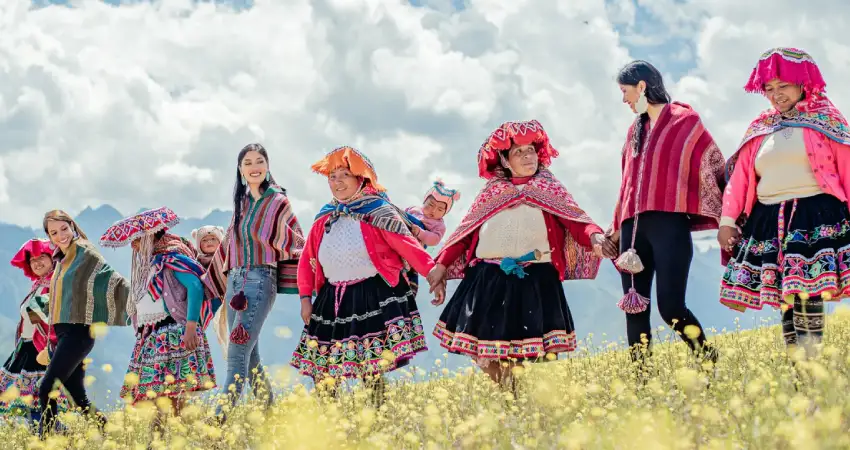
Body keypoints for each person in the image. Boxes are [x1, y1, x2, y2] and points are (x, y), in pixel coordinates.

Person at [426, 120, 606, 390]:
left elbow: (577, 221)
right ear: (505, 160)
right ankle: (513, 394)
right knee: (486, 349)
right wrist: (441, 265)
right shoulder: (492, 192)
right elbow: (465, 234)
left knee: (521, 350)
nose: (527, 156)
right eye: (519, 152)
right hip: (487, 278)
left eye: (531, 150)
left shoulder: (550, 189)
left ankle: (516, 399)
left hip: (534, 277)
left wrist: (595, 236)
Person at [719, 48, 850, 358]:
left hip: (814, 215)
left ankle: (810, 364)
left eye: (783, 86)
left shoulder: (826, 120)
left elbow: (847, 168)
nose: (775, 95)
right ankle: (800, 371)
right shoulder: (761, 127)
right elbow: (739, 180)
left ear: (803, 83)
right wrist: (727, 221)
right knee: (787, 300)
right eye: (769, 88)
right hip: (768, 219)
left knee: (808, 293)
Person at [291, 146, 443, 398]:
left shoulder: (378, 211)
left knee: (371, 366)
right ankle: (327, 422)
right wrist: (305, 298)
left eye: (344, 175)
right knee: (323, 369)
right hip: (330, 298)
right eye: (332, 176)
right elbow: (307, 261)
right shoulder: (325, 217)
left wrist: (433, 274)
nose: (337, 182)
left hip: (369, 294)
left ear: (360, 178)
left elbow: (407, 246)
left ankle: (377, 416)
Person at [605, 60, 725, 369]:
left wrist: (729, 208)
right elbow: (626, 184)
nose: (624, 99)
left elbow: (711, 165)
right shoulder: (635, 130)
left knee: (671, 307)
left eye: (625, 91)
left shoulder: (686, 121)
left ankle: (707, 358)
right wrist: (614, 227)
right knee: (635, 311)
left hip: (669, 226)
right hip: (631, 232)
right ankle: (642, 383)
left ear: (642, 86)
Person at [203, 143, 304, 417]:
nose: (254, 167)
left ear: (267, 166)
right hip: (235, 282)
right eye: (247, 162)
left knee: (236, 355)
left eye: (259, 161)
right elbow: (228, 244)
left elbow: (296, 239)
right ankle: (271, 417)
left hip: (260, 281)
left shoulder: (277, 202)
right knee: (251, 360)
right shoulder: (242, 203)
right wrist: (207, 279)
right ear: (240, 169)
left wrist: (312, 259)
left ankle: (216, 424)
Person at [100, 207, 216, 418]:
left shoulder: (171, 258)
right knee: (155, 395)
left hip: (173, 331)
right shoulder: (150, 263)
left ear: (149, 236)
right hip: (152, 335)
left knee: (171, 396)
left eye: (136, 239)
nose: (133, 245)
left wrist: (191, 325)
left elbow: (195, 287)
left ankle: (181, 437)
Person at [40, 210, 130, 435]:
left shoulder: (84, 251)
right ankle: (111, 434)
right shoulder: (61, 260)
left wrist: (138, 294)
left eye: (64, 228)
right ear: (49, 237)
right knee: (79, 398)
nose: (61, 235)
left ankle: (49, 438)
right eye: (54, 232)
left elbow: (112, 278)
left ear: (72, 226)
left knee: (46, 389)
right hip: (65, 335)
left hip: (78, 334)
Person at [1, 239, 67, 422]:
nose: (37, 263)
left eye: (42, 257)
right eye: (32, 260)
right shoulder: (39, 284)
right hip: (26, 347)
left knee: (38, 401)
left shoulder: (55, 283)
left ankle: (49, 437)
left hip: (40, 349)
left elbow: (46, 317)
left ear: (52, 259)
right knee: (24, 403)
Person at [403, 179, 460, 296]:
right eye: (430, 205)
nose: (433, 211)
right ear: (424, 201)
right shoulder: (413, 210)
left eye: (440, 209)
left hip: (414, 252)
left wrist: (420, 233)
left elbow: (434, 239)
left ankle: (409, 293)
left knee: (410, 275)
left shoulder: (439, 225)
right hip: (401, 242)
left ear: (445, 213)